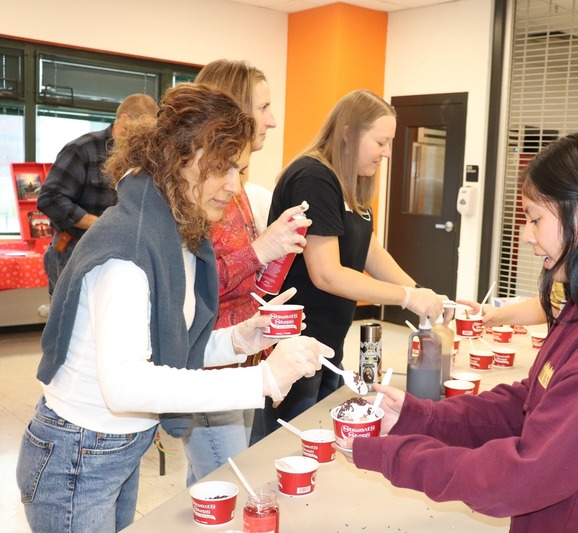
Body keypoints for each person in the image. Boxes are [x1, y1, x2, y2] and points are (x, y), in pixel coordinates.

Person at [335, 132, 578, 531]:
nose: (526, 235)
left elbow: (522, 476)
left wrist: (395, 455)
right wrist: (421, 418)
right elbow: (530, 404)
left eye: (536, 219)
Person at [16, 83, 331, 533]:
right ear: (177, 157)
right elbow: (126, 384)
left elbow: (168, 347)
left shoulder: (171, 229)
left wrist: (238, 340)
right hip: (78, 456)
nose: (234, 186)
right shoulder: (130, 250)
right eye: (222, 168)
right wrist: (261, 379)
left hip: (110, 447)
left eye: (239, 170)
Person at [254, 89, 445, 443]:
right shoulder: (313, 177)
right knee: (285, 447)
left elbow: (369, 249)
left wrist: (420, 292)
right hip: (297, 346)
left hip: (327, 344)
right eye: (380, 142)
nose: (387, 152)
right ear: (348, 133)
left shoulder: (349, 183)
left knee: (322, 440)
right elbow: (327, 274)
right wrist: (405, 297)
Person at [180, 59, 311, 486]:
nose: (272, 121)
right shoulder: (198, 194)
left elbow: (238, 279)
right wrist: (259, 250)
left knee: (206, 484)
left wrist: (273, 253)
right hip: (207, 367)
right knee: (232, 485)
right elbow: (191, 288)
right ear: (234, 110)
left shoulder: (233, 189)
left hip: (238, 358)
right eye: (264, 107)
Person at [37, 93, 159, 295]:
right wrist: (101, 224)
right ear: (124, 120)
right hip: (73, 252)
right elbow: (50, 199)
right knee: (69, 314)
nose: (144, 140)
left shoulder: (142, 157)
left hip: (120, 256)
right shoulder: (81, 150)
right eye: (140, 131)